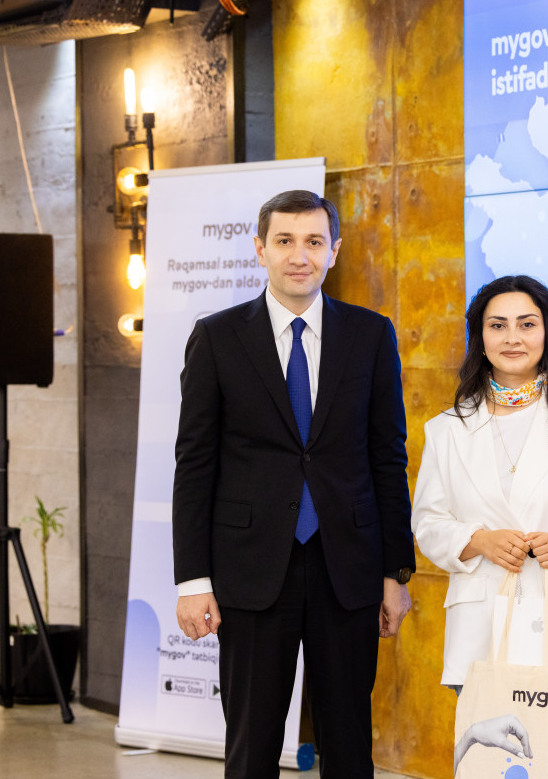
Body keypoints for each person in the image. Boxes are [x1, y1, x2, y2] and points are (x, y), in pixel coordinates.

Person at [171, 189, 416, 778]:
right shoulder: (217, 337)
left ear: (334, 250)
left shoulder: (371, 335)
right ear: (260, 249)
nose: (299, 255)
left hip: (348, 571)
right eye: (284, 241)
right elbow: (195, 464)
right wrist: (193, 581)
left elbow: (388, 458)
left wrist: (396, 573)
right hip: (251, 572)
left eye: (313, 241)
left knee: (349, 746)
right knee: (251, 746)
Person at [411, 275, 548, 778]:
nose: (512, 337)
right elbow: (427, 522)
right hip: (482, 628)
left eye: (526, 324)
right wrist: (478, 541)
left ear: (546, 333)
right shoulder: (447, 430)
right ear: (480, 338)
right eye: (497, 325)